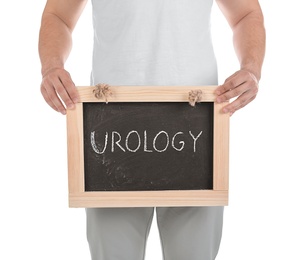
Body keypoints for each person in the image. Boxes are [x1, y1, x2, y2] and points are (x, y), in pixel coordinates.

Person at [39, 0, 265, 259]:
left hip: (196, 131)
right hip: (112, 136)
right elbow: (58, 15)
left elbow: (246, 14)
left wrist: (251, 69)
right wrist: (52, 66)